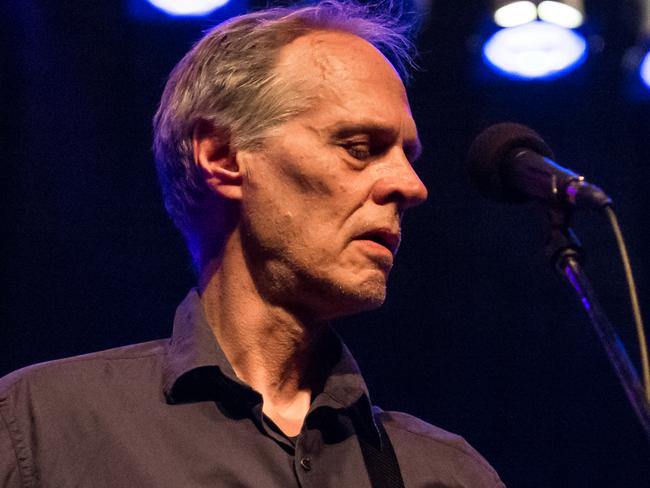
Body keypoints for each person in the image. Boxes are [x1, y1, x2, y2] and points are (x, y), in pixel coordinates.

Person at [0, 1, 505, 486]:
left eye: (406, 153)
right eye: (358, 148)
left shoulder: (445, 474)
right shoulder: (42, 430)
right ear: (221, 156)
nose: (412, 186)